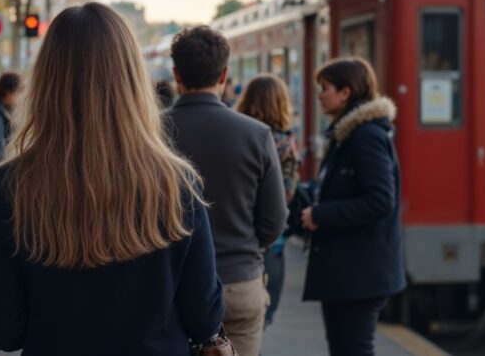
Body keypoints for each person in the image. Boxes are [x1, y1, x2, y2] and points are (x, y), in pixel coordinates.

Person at [0, 3, 224, 356]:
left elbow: (5, 331)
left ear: (45, 79)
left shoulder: (8, 187)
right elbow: (204, 318)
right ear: (131, 80)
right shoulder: (177, 184)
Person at [165, 26, 287, 356]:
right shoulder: (257, 135)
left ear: (176, 74)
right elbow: (274, 221)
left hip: (168, 287)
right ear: (224, 75)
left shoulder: (151, 133)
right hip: (238, 282)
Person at [301, 57, 406, 356]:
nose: (319, 95)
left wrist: (320, 214)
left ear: (345, 93)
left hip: (359, 272)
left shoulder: (365, 137)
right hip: (349, 271)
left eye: (325, 88)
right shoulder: (347, 135)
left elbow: (381, 200)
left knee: (353, 350)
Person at [235, 73, 300, 327]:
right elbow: (287, 194)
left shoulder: (238, 135)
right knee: (260, 320)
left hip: (235, 231)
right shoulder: (284, 144)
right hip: (269, 239)